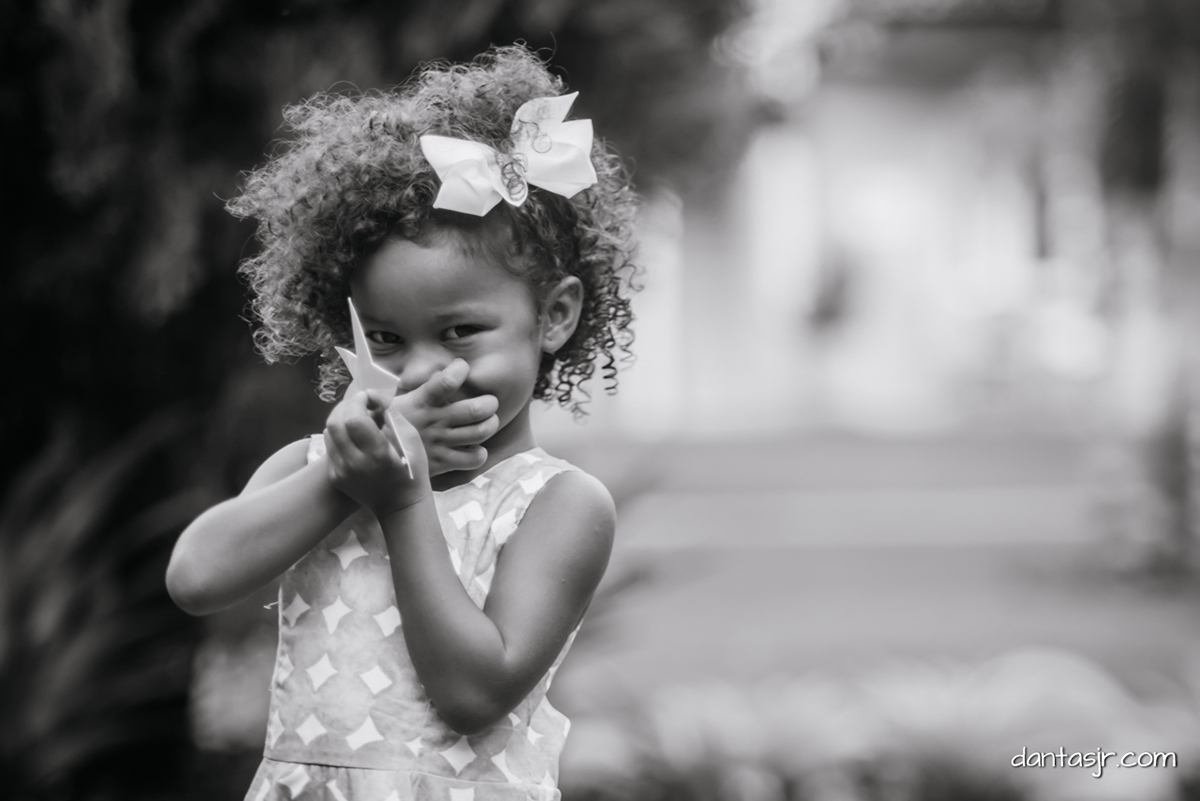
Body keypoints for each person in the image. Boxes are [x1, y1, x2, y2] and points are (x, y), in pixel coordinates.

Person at [166, 45, 639, 800]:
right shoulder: (317, 467)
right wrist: (341, 483)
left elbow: (475, 694)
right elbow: (196, 578)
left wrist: (402, 501)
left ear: (553, 315)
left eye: (459, 333)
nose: (420, 371)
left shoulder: (559, 505)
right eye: (384, 338)